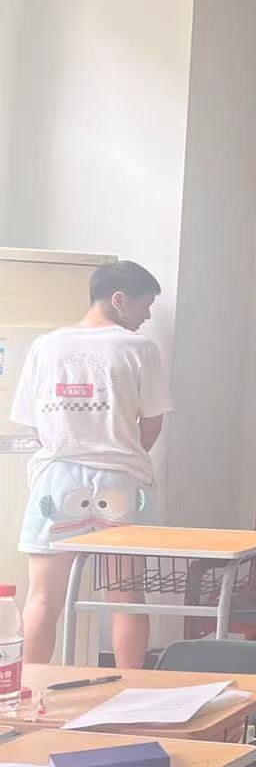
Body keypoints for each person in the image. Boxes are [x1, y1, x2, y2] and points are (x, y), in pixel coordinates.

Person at [10, 261, 169, 668]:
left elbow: (33, 423)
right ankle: (131, 689)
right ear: (119, 299)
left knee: (43, 598)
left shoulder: (45, 346)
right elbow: (152, 425)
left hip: (57, 480)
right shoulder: (139, 349)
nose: (147, 316)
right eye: (145, 306)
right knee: (126, 599)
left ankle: (28, 688)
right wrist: (120, 453)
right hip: (122, 481)